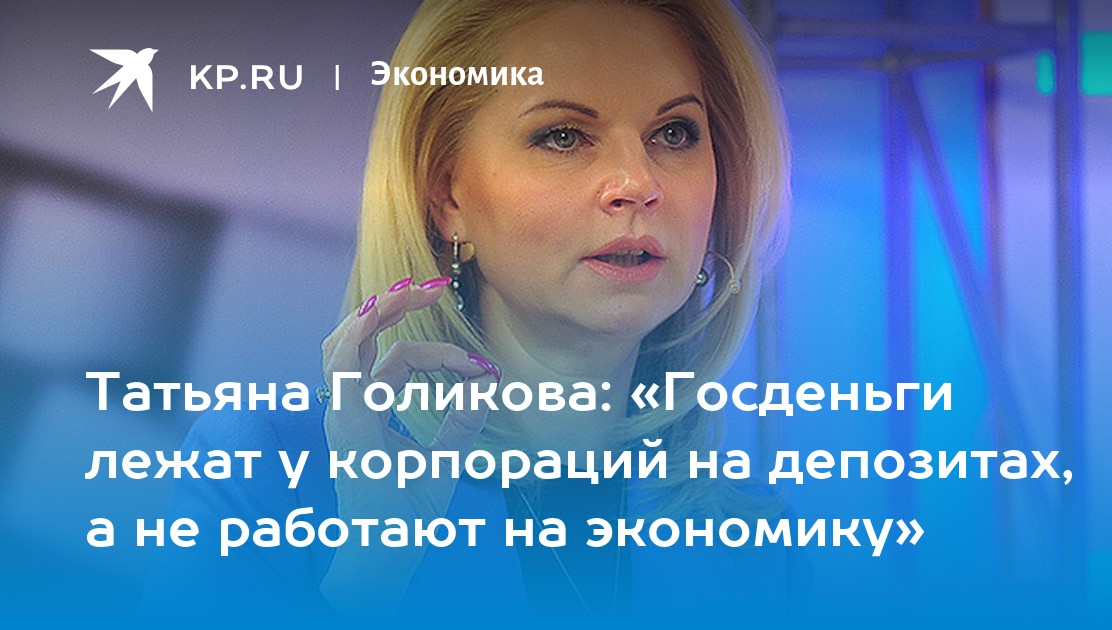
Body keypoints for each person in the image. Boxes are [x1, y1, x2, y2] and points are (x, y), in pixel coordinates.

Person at [144, 0, 796, 620]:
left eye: (674, 133)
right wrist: (367, 581)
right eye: (564, 136)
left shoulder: (756, 546)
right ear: (447, 196)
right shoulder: (263, 473)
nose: (638, 184)